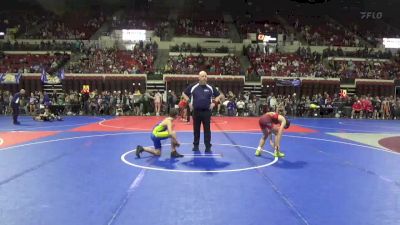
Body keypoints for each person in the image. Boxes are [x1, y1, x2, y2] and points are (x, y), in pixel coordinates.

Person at [182, 71, 222, 152]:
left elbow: (219, 95)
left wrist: (214, 103)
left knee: (207, 130)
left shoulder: (210, 87)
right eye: (203, 76)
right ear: (199, 77)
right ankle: (196, 145)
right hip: (196, 111)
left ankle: (208, 147)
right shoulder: (193, 86)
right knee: (196, 129)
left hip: (207, 112)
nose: (204, 77)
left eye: (205, 76)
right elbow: (184, 93)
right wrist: (189, 102)